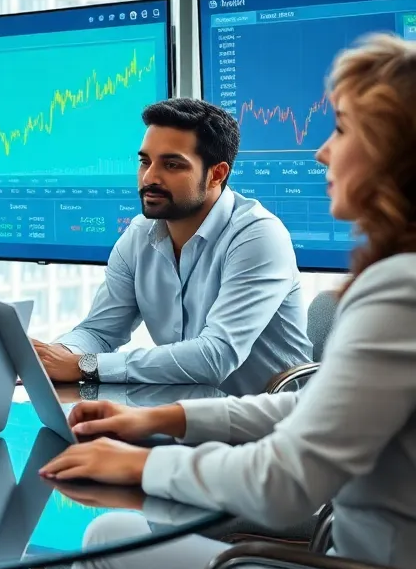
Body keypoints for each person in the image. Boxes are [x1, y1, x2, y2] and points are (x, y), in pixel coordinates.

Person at [40, 34, 416, 569]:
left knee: (105, 538)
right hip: (357, 551)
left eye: (340, 129)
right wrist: (156, 416)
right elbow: (312, 403)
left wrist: (139, 466)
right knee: (108, 521)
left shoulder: (395, 289)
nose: (321, 151)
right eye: (145, 161)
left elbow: (286, 481)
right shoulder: (140, 236)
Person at [31, 98, 311, 396]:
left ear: (216, 174)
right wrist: (52, 355)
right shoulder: (139, 235)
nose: (150, 177)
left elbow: (215, 357)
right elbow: (98, 332)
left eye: (172, 164)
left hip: (272, 426)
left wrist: (84, 366)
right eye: (144, 162)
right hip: (186, 415)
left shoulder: (258, 236)